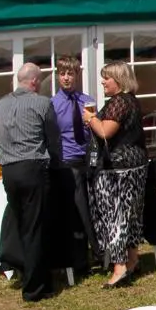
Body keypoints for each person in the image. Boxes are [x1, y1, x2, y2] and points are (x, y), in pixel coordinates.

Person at [0, 62, 60, 302]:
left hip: (9, 170)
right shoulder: (42, 103)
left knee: (21, 223)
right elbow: (53, 140)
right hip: (32, 167)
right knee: (35, 227)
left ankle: (26, 270)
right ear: (33, 81)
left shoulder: (2, 104)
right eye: (40, 80)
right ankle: (34, 287)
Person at [83, 62, 151, 289]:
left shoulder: (120, 101)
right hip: (135, 165)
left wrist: (91, 118)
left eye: (107, 78)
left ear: (119, 81)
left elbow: (105, 132)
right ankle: (132, 259)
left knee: (115, 216)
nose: (103, 82)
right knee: (131, 216)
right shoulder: (131, 99)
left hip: (118, 169)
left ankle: (119, 266)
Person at [49, 55, 95, 278]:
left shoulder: (87, 100)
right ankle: (78, 260)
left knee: (92, 208)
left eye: (71, 73)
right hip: (68, 163)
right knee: (76, 212)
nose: (66, 78)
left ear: (77, 75)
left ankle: (97, 251)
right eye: (62, 73)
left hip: (88, 161)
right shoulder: (53, 104)